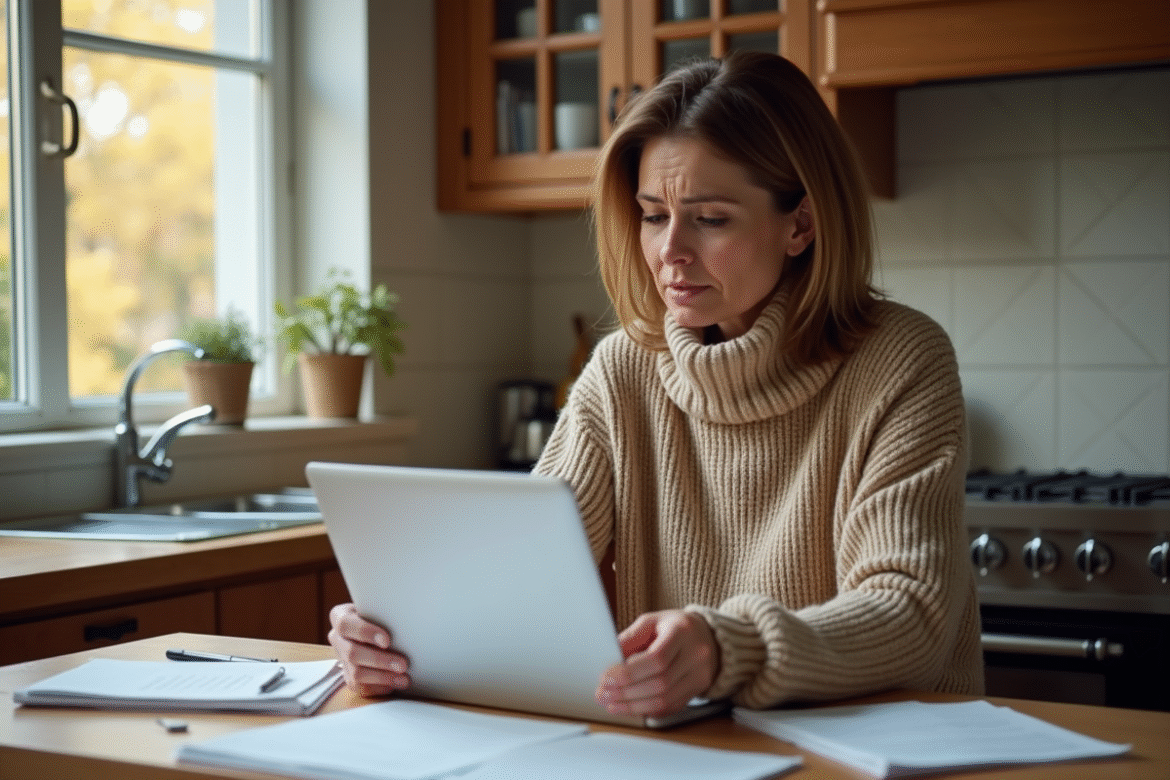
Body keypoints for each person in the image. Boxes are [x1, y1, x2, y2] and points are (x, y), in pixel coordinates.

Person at [328, 51, 984, 719]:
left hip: (878, 753)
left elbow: (911, 616)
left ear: (801, 225)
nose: (670, 250)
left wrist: (728, 649)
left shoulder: (902, 358)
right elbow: (519, 585)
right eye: (651, 215)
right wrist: (399, 638)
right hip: (698, 752)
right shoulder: (622, 371)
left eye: (710, 218)